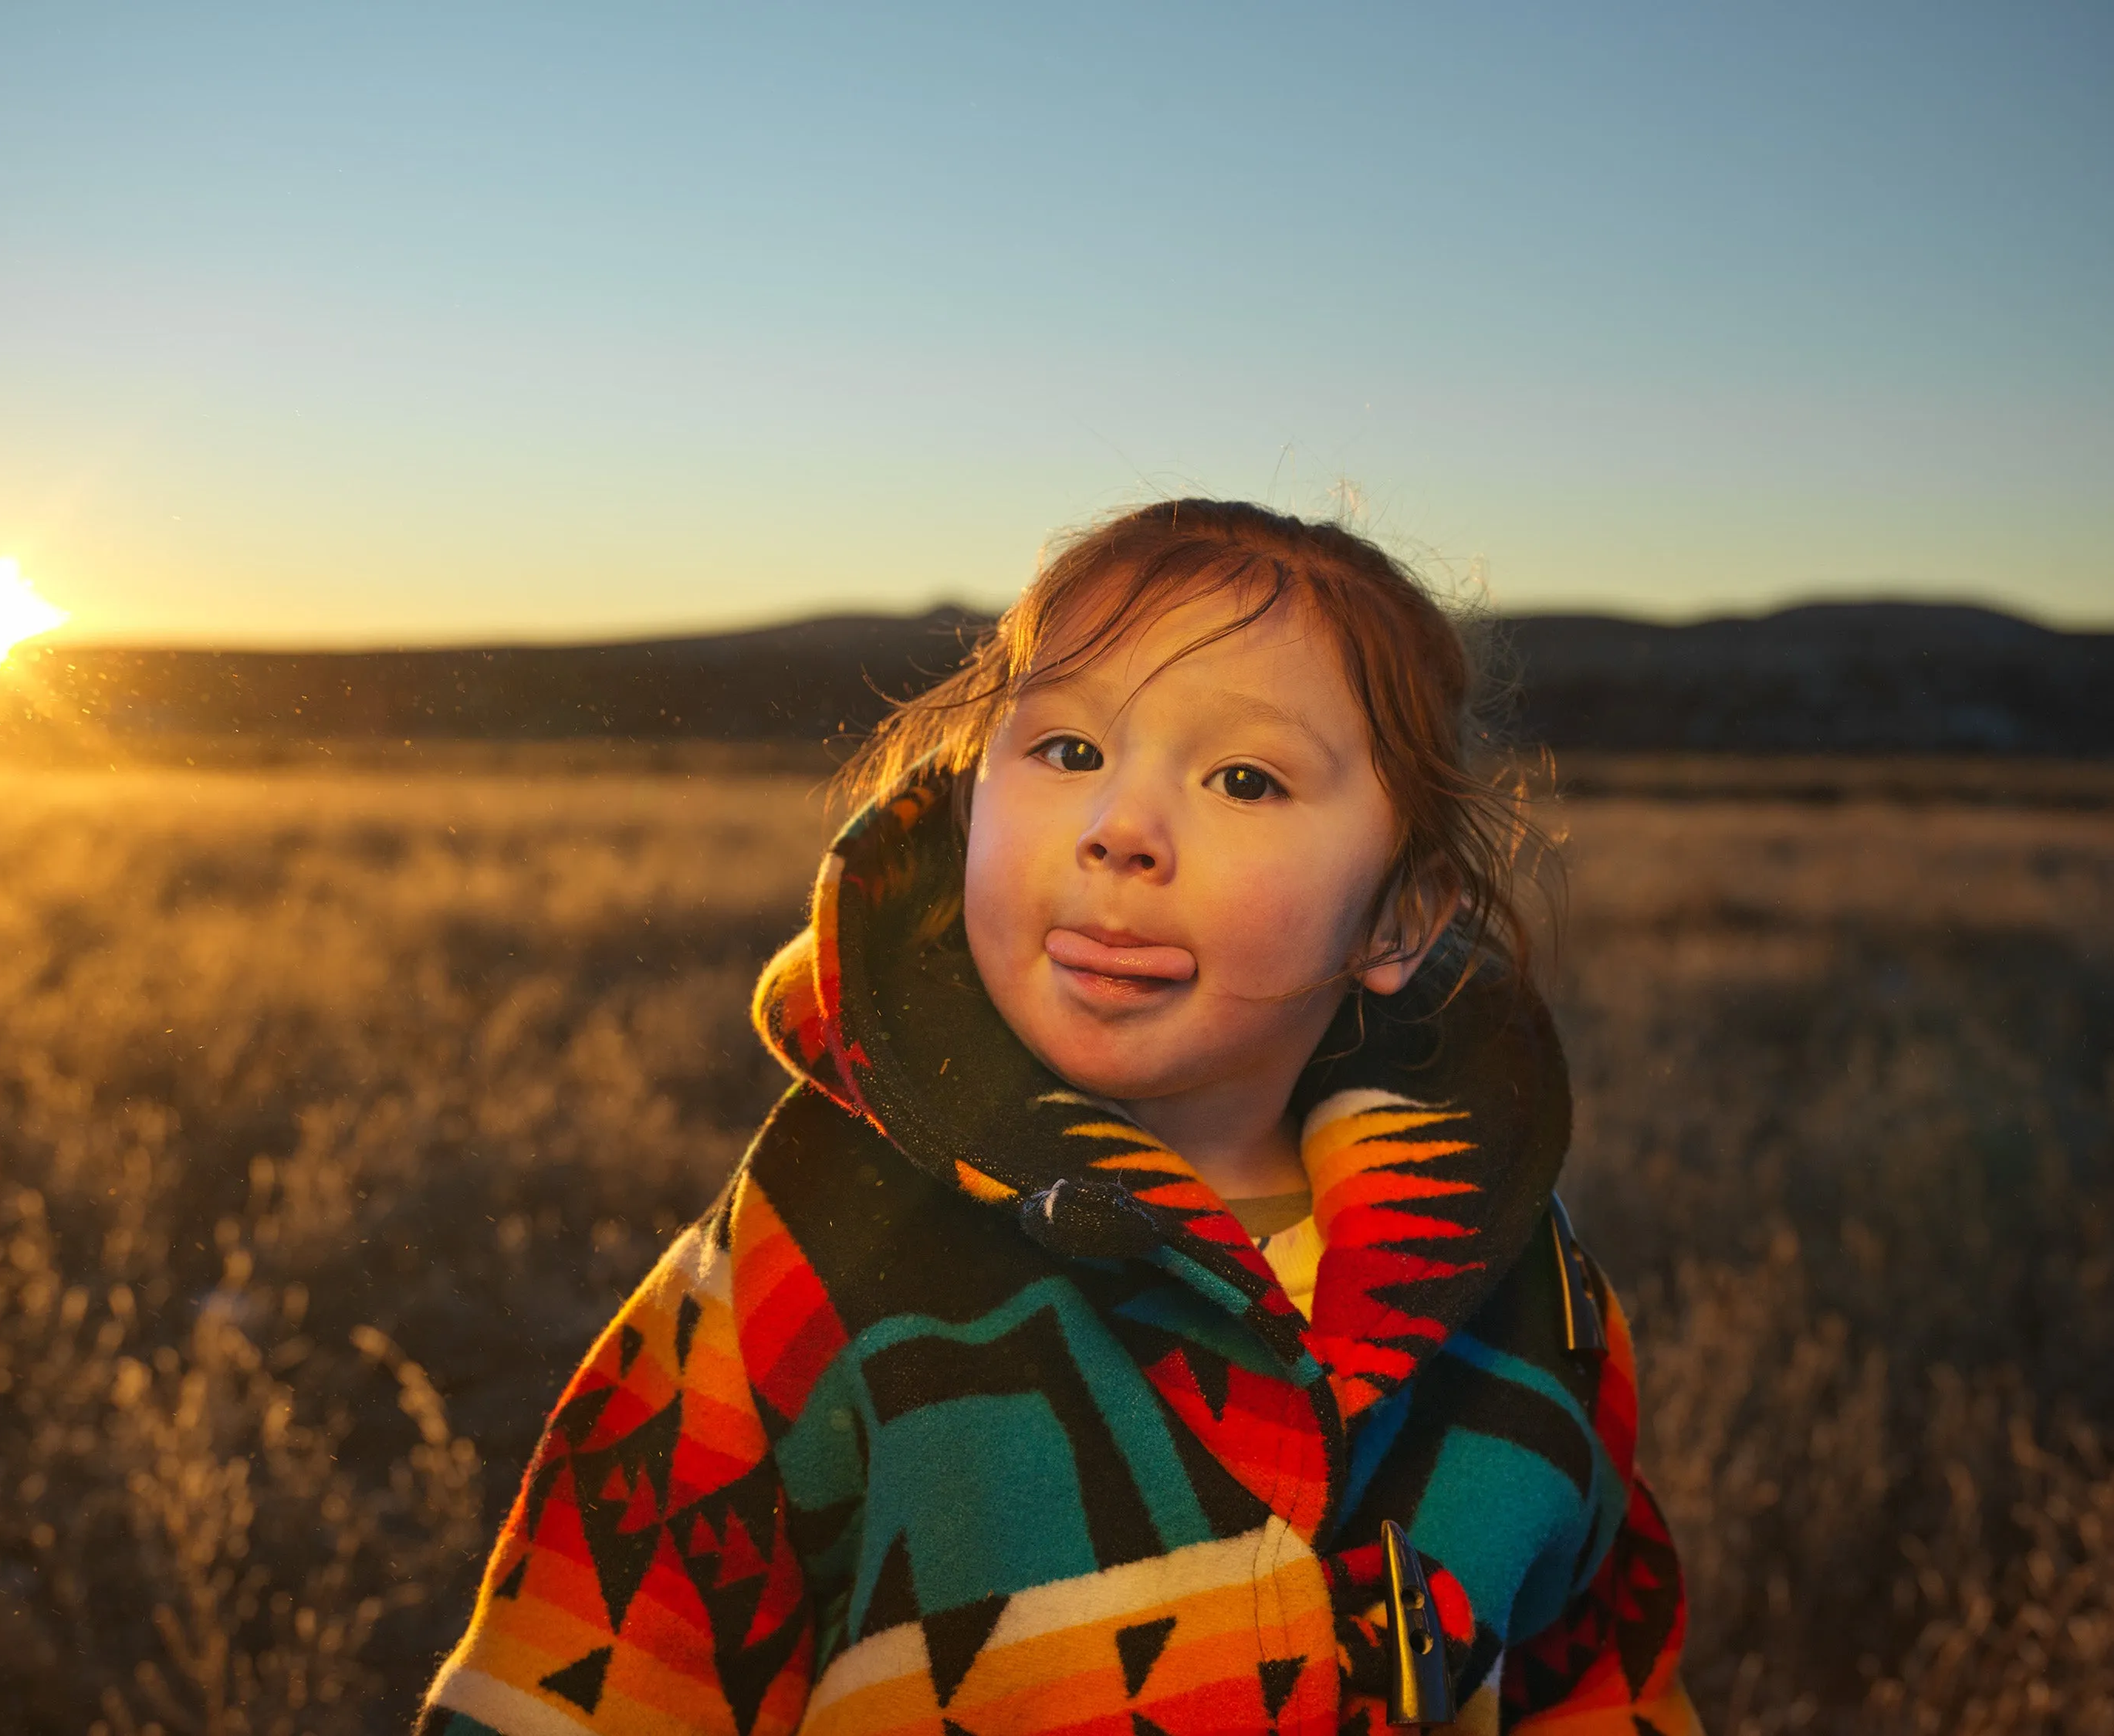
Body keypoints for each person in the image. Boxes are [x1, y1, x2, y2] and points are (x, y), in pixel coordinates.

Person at [419, 501, 1700, 1734]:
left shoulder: (1516, 1285)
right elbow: (581, 1667)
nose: (1120, 830)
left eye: (1244, 779)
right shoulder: (818, 1238)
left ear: (1399, 920)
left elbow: (1598, 1678)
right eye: (1069, 751)